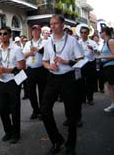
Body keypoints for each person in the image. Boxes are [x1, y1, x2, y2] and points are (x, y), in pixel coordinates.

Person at [42, 14, 84, 155]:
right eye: (51, 24)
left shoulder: (72, 41)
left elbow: (81, 60)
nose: (52, 26)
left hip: (68, 78)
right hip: (53, 78)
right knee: (45, 110)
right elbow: (45, 61)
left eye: (55, 23)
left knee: (71, 113)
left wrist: (66, 62)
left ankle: (71, 145)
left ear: (63, 24)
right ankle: (56, 140)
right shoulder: (48, 42)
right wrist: (49, 67)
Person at [0, 26, 26, 144]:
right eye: (0, 34)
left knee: (15, 108)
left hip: (13, 81)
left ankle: (16, 133)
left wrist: (6, 70)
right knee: (2, 109)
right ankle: (8, 131)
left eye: (5, 33)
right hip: (1, 82)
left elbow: (22, 67)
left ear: (10, 35)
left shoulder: (16, 49)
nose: (2, 36)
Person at [23, 25, 47, 120]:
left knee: (42, 91)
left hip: (41, 69)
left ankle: (42, 111)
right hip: (30, 69)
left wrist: (37, 50)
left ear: (40, 31)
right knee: (30, 92)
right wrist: (30, 53)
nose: (35, 32)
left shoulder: (45, 42)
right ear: (31, 32)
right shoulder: (28, 43)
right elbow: (23, 55)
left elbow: (47, 53)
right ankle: (35, 110)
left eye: (37, 30)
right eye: (34, 30)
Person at [96, 27, 114, 112]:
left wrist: (102, 56)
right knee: (110, 87)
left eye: (100, 32)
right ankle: (113, 104)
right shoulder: (105, 42)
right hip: (107, 66)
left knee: (112, 86)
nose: (100, 34)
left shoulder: (110, 41)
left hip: (111, 67)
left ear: (104, 33)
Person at [78, 26, 97, 105]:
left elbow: (98, 53)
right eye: (82, 32)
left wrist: (93, 49)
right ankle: (82, 98)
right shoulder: (78, 42)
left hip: (90, 63)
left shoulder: (93, 42)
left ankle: (90, 98)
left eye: (85, 32)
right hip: (81, 63)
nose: (83, 34)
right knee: (81, 82)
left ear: (88, 33)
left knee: (90, 82)